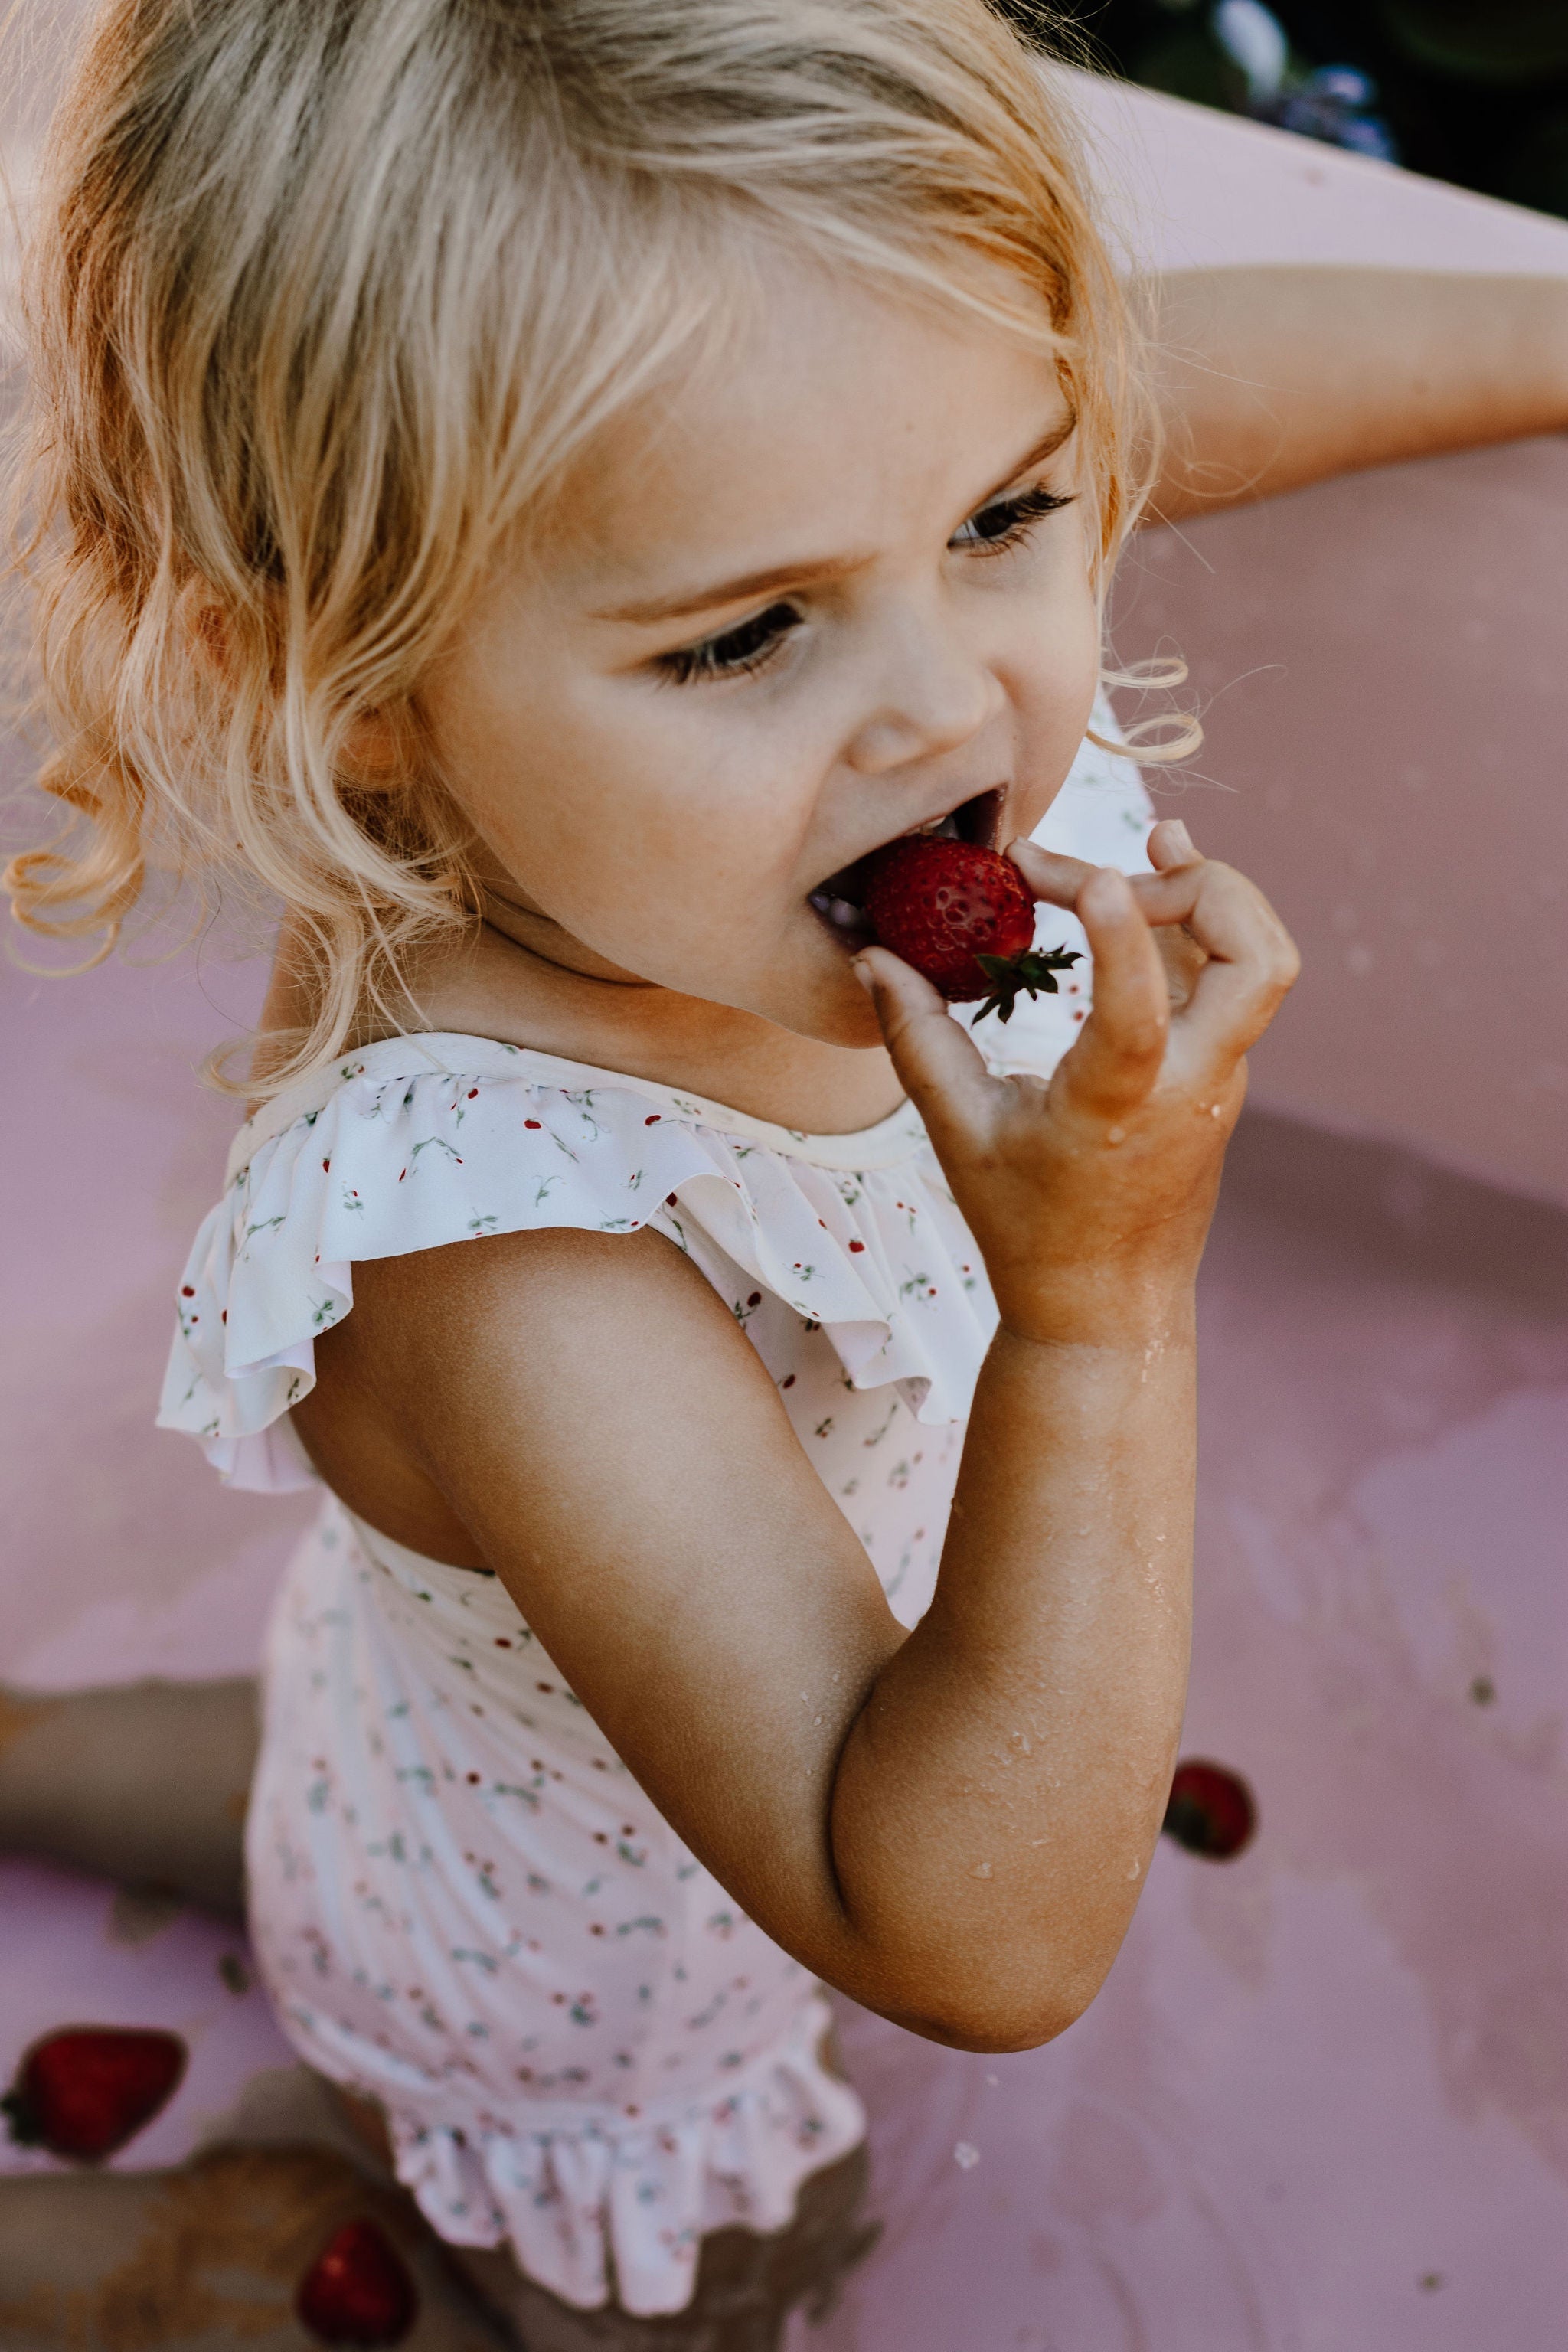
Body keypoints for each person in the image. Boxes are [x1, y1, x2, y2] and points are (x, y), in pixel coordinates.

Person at [5, 3, 1568, 2344]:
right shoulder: (511, 1258)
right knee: (741, 2283)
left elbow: (1141, 386)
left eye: (1009, 518)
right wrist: (1096, 1310)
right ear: (350, 690)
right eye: (745, 631)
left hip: (448, 1752)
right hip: (591, 2005)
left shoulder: (745, 733)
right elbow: (964, 1931)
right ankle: (167, 2273)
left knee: (397, 1755)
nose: (954, 701)